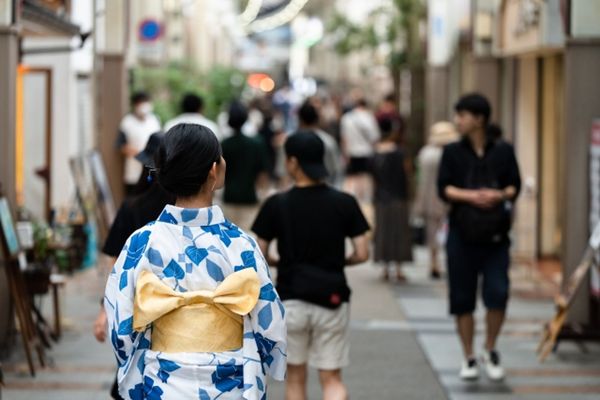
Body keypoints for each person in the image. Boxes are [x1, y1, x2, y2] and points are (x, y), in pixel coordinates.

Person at [104, 124, 286, 399]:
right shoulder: (239, 243)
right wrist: (271, 356)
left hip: (162, 379)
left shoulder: (142, 242)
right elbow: (269, 319)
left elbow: (120, 321)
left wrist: (130, 358)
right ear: (215, 170)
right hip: (229, 380)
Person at [252, 132, 370, 400]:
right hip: (332, 298)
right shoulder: (344, 202)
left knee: (295, 377)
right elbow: (363, 253)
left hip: (291, 299)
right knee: (332, 378)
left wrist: (279, 261)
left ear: (292, 162)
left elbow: (260, 252)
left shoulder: (277, 203)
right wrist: (340, 261)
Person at [437, 94, 521, 382]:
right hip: (462, 234)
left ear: (479, 119)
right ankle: (469, 355)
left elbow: (515, 185)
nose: (458, 121)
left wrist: (498, 194)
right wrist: (473, 196)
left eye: (462, 115)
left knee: (498, 293)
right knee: (462, 298)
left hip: (496, 236)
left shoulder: (504, 151)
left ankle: (490, 348)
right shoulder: (452, 152)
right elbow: (443, 188)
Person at [94, 133, 175, 400]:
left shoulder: (131, 207)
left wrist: (105, 310)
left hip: (135, 304)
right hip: (176, 307)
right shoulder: (183, 208)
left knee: (132, 377)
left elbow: (115, 264)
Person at [413, 122, 459, 279]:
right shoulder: (451, 153)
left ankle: (434, 263)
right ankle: (447, 264)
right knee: (449, 232)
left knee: (432, 234)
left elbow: (420, 179)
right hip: (449, 198)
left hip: (428, 198)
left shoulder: (425, 153)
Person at [370, 119, 412, 282]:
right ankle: (399, 268)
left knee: (383, 231)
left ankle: (386, 268)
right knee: (400, 232)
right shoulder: (401, 152)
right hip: (399, 196)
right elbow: (407, 173)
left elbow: (373, 177)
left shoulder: (375, 153)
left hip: (381, 196)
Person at [220, 101, 269, 231]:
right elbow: (262, 171)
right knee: (247, 235)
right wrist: (262, 192)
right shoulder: (256, 143)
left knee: (228, 236)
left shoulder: (225, 144)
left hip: (229, 196)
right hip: (249, 196)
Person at [117, 91, 161, 196]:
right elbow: (121, 145)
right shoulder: (127, 122)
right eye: (142, 102)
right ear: (135, 105)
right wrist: (142, 156)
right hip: (133, 173)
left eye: (147, 101)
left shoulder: (154, 120)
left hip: (152, 171)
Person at [340, 98, 380, 202]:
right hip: (367, 152)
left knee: (353, 178)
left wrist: (345, 153)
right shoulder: (369, 117)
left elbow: (344, 139)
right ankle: (365, 201)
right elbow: (375, 138)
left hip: (352, 152)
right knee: (366, 178)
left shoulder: (346, 118)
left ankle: (352, 200)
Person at [298, 100, 344, 187]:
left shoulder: (292, 142)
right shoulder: (328, 141)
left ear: (300, 119)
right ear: (317, 119)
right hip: (326, 188)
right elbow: (336, 169)